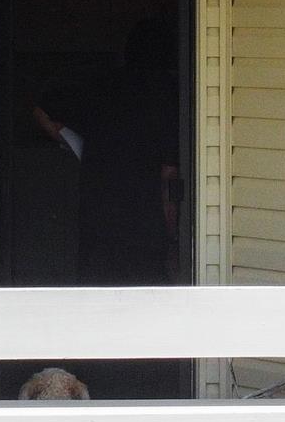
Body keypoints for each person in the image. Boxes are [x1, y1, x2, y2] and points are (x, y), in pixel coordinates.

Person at [31, 18, 182, 285]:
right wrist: (172, 229)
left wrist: (74, 146)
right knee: (149, 299)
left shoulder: (103, 85)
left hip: (98, 212)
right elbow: (168, 173)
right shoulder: (170, 94)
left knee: (96, 297)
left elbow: (43, 110)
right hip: (144, 220)